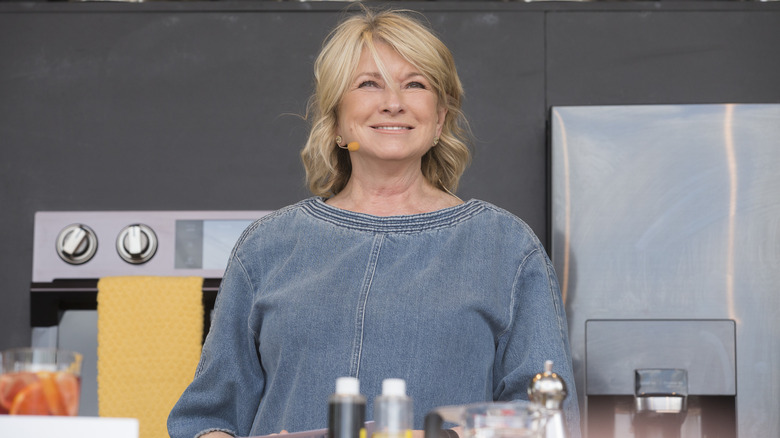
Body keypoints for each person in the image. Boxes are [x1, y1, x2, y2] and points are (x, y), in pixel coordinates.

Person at [168, 8, 580, 438]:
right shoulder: (266, 247)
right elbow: (207, 419)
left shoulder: (507, 248)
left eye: (415, 84)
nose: (393, 102)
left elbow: (550, 421)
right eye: (369, 83)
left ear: (439, 119)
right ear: (335, 122)